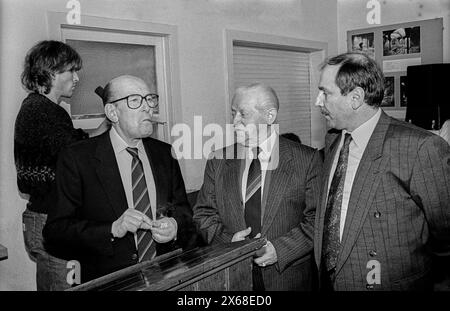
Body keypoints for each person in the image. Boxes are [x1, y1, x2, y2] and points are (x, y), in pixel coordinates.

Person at [314, 52, 450, 291]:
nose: (318, 101)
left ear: (355, 98)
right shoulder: (333, 139)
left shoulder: (420, 147)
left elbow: (445, 234)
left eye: (325, 93)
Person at [43, 75, 197, 283]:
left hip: (165, 277)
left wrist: (175, 225)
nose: (148, 108)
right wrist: (113, 229)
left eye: (150, 99)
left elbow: (184, 211)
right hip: (110, 281)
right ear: (112, 112)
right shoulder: (77, 158)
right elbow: (55, 233)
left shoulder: (164, 153)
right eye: (135, 101)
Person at [193, 83, 322, 291]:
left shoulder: (307, 160)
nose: (235, 122)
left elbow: (316, 220)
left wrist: (279, 250)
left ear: (270, 116)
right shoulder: (218, 160)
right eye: (233, 113)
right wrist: (228, 241)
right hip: (234, 279)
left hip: (287, 278)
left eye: (242, 114)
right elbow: (203, 214)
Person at [14, 40, 108, 291]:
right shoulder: (45, 112)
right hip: (49, 218)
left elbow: (80, 144)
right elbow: (82, 156)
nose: (77, 78)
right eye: (71, 71)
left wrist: (110, 118)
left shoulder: (40, 108)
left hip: (43, 216)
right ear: (51, 72)